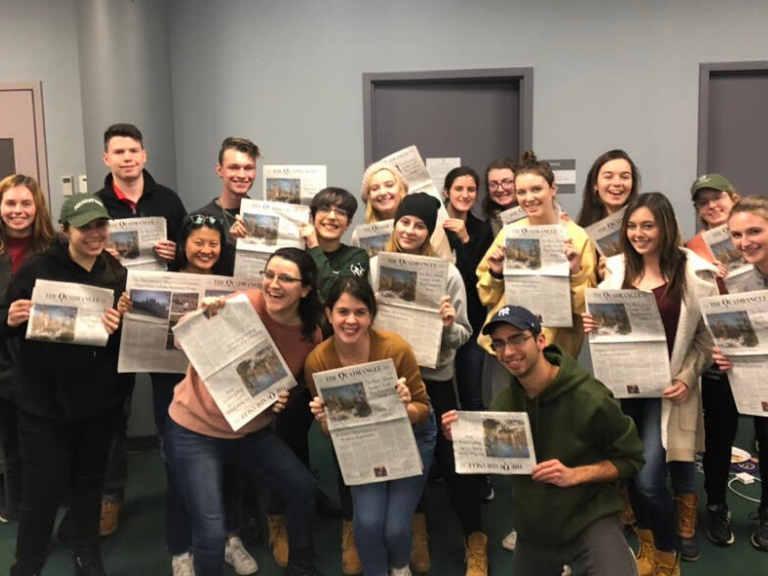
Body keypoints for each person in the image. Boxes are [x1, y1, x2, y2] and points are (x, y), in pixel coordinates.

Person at [442, 305, 644, 576]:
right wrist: (464, 438)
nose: (508, 351)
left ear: (540, 340)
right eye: (499, 343)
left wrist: (574, 475)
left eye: (517, 339)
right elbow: (494, 460)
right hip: (536, 527)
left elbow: (632, 458)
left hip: (590, 518)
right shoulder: (504, 404)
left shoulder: (590, 397)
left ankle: (618, 552)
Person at [165, 247, 322, 576]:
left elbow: (291, 388)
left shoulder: (311, 335)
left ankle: (301, 565)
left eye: (286, 279)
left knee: (304, 489)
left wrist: (283, 399)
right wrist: (202, 316)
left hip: (249, 433)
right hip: (195, 430)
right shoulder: (244, 304)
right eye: (269, 275)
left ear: (305, 289)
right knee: (209, 533)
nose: (273, 284)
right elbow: (181, 339)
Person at [585, 192, 718, 576]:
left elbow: (706, 340)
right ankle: (648, 547)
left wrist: (688, 375)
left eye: (648, 225)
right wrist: (595, 324)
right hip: (623, 391)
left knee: (647, 482)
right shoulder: (614, 270)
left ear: (665, 227)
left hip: (665, 393)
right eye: (632, 226)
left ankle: (666, 553)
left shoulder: (693, 274)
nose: (639, 234)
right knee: (626, 474)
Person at [2, 193, 128, 575]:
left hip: (97, 401)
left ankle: (86, 553)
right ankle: (27, 563)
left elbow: (122, 347)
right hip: (43, 401)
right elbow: (6, 324)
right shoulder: (37, 268)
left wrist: (117, 327)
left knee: (89, 483)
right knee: (41, 491)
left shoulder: (116, 273)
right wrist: (10, 319)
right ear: (65, 229)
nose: (94, 234)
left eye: (100, 226)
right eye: (85, 226)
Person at [119, 214, 252, 575]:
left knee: (228, 464)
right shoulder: (161, 281)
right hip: (173, 389)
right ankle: (180, 550)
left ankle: (230, 539)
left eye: (213, 243)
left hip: (220, 390)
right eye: (199, 242)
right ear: (183, 244)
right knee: (178, 471)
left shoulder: (234, 286)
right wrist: (129, 310)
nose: (206, 250)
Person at [370, 192, 486, 575]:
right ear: (395, 224)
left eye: (419, 225)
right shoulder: (375, 268)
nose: (410, 230)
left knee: (452, 461)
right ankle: (416, 532)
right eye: (405, 222)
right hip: (389, 378)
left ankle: (476, 539)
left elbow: (466, 334)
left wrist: (450, 325)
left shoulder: (448, 274)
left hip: (435, 378)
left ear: (428, 231)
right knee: (405, 457)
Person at [307, 276, 436, 576]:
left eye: (360, 312)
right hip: (362, 443)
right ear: (328, 314)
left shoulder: (395, 348)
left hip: (411, 435)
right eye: (342, 312)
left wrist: (406, 409)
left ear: (371, 316)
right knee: (366, 523)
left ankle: (400, 567)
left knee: (394, 528)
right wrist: (325, 423)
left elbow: (424, 410)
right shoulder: (318, 361)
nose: (351, 320)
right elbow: (330, 433)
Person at [96, 122, 188, 536]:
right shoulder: (95, 204)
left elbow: (193, 253)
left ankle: (181, 484)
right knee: (113, 410)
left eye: (134, 150)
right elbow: (78, 257)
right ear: (107, 159)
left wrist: (177, 249)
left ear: (144, 155)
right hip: (115, 315)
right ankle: (110, 496)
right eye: (119, 152)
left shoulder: (167, 199)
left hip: (161, 313)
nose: (128, 158)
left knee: (170, 404)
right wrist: (102, 253)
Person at [476, 150, 596, 359]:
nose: (529, 198)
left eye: (536, 189)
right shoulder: (509, 234)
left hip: (555, 351)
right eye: (521, 192)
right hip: (508, 347)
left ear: (553, 189)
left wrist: (575, 271)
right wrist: (495, 273)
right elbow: (486, 296)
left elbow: (586, 308)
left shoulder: (576, 237)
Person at [683, 173, 741, 552]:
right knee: (719, 435)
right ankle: (717, 505)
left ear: (733, 197)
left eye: (716, 197)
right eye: (702, 202)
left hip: (758, 353)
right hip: (718, 353)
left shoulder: (756, 233)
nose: (711, 206)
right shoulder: (693, 247)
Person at [710, 195, 768, 552]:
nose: (745, 242)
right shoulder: (739, 278)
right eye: (736, 235)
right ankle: (716, 507)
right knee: (718, 436)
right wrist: (725, 350)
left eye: (755, 231)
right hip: (741, 373)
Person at [0, 174, 56, 524]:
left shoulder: (56, 248)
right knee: (11, 440)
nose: (18, 211)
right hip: (3, 361)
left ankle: (50, 501)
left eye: (25, 203)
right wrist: (6, 318)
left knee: (49, 439)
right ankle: (16, 505)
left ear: (38, 208)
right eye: (10, 203)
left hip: (48, 361)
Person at [442, 167, 494, 411]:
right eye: (458, 188)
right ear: (446, 192)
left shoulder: (482, 230)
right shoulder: (433, 225)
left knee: (471, 392)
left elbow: (479, 277)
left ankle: (475, 448)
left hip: (472, 321)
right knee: (439, 393)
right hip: (439, 320)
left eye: (471, 189)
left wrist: (465, 240)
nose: (465, 194)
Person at [356, 161, 452, 260]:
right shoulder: (359, 236)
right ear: (368, 197)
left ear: (401, 189)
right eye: (375, 188)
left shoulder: (433, 228)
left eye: (389, 185)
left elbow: (446, 268)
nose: (383, 192)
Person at [576, 150, 641, 282]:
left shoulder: (649, 224)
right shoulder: (580, 232)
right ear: (595, 184)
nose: (617, 183)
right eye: (608, 176)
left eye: (624, 176)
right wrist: (599, 277)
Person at [301, 187, 369, 300]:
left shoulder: (357, 257)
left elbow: (339, 296)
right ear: (313, 218)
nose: (332, 217)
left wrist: (314, 246)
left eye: (341, 212)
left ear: (348, 224)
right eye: (324, 209)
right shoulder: (299, 252)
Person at [193, 137, 260, 247]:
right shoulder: (199, 219)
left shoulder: (265, 215)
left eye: (248, 168)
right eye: (234, 168)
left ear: (255, 172)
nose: (242, 175)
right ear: (220, 170)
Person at [481, 157, 518, 237]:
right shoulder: (487, 228)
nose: (500, 189)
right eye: (493, 184)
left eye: (507, 182)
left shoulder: (536, 215)